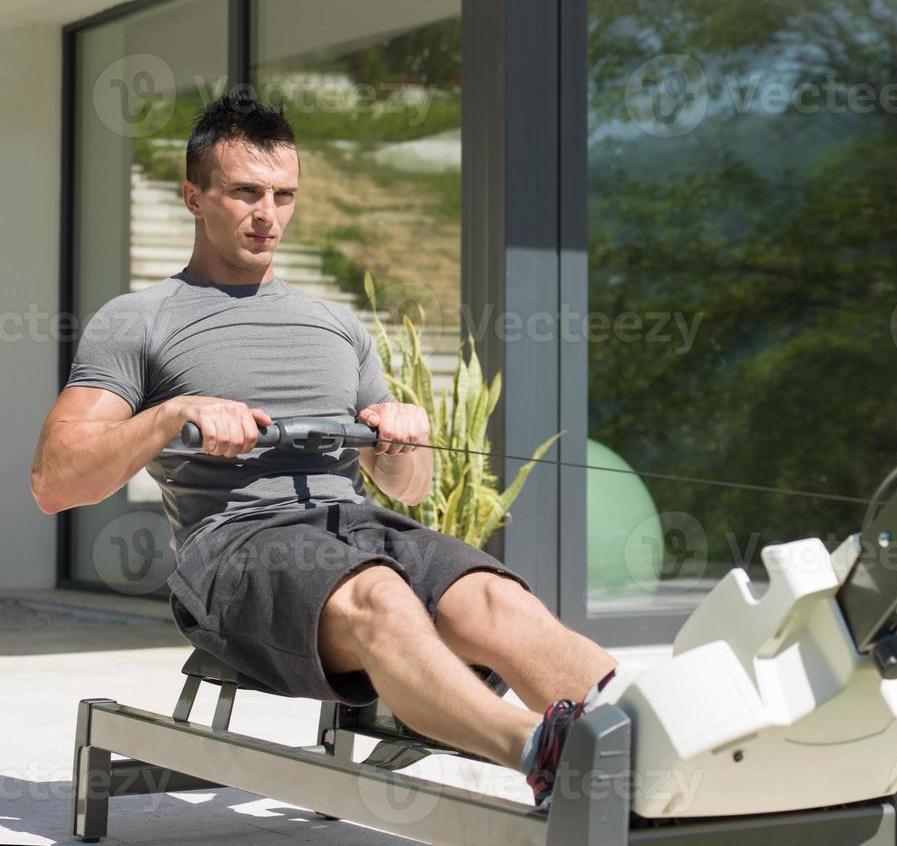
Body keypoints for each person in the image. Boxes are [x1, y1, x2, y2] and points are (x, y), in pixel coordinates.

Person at [28, 89, 613, 807]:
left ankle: (652, 743)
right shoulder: (137, 321)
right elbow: (54, 482)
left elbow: (409, 489)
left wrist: (403, 434)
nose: (267, 215)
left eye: (283, 195)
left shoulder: (337, 327)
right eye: (245, 192)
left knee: (493, 600)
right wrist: (170, 416)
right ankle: (541, 755)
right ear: (193, 196)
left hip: (361, 527)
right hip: (237, 549)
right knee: (381, 597)